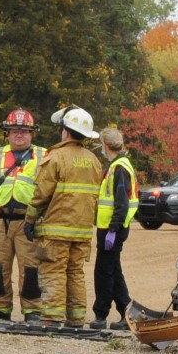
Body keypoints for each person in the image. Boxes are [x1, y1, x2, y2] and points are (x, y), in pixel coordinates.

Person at [24, 106, 104, 327]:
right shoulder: (94, 160)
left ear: (66, 132)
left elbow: (41, 194)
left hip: (56, 229)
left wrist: (30, 219)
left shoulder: (56, 157)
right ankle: (77, 318)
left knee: (53, 270)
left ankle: (51, 317)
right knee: (76, 272)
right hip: (82, 230)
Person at [0, 108, 44, 321]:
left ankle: (32, 310)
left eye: (24, 131)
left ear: (32, 133)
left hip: (29, 222)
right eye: (14, 130)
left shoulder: (44, 156)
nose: (19, 134)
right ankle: (0, 309)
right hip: (1, 221)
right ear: (6, 133)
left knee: (31, 270)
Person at [89, 127, 138, 330]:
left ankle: (101, 315)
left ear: (105, 145)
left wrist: (113, 228)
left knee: (103, 272)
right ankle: (127, 312)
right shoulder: (119, 166)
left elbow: (121, 202)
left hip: (112, 229)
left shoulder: (118, 168)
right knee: (113, 271)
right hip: (112, 227)